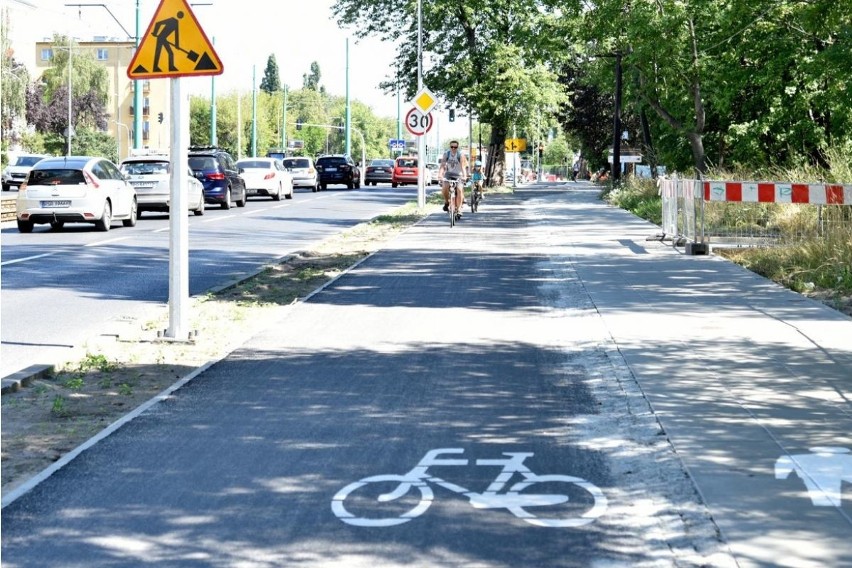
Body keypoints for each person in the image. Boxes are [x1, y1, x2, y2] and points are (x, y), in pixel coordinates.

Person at [438, 140, 469, 217]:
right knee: (444, 187)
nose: (453, 148)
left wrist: (464, 176)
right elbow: (442, 165)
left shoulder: (460, 155)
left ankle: (459, 209)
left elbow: (463, 167)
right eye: (452, 147)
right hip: (448, 174)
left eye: (455, 147)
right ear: (450, 147)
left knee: (459, 189)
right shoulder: (446, 154)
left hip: (458, 175)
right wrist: (440, 175)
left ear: (457, 147)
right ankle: (446, 202)